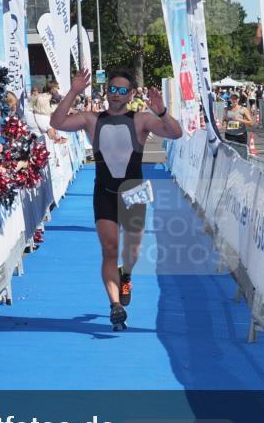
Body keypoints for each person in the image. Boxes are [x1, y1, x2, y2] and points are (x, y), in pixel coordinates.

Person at [49, 69, 182, 331]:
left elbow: (175, 134)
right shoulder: (91, 119)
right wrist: (75, 91)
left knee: (131, 253)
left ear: (131, 94)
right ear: (107, 91)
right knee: (110, 249)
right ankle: (114, 306)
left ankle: (126, 274)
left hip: (134, 193)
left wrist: (162, 112)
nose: (116, 94)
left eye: (123, 90)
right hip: (105, 193)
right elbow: (57, 122)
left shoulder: (142, 120)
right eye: (113, 88)